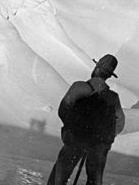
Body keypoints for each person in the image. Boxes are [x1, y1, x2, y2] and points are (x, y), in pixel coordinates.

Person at [47, 54, 125, 185]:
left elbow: (63, 110)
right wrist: (100, 137)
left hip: (75, 140)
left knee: (59, 177)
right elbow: (120, 124)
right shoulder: (113, 98)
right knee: (95, 180)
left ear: (97, 68)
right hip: (98, 146)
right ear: (109, 75)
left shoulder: (79, 87)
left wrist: (76, 128)